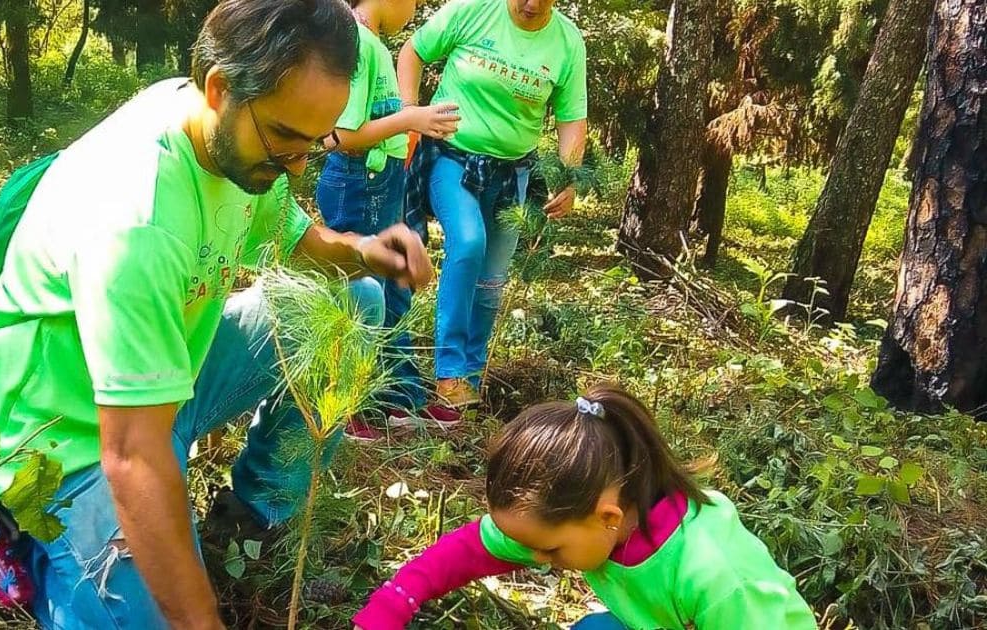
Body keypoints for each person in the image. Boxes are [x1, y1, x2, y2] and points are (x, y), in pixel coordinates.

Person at [0, 1, 432, 627]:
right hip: (68, 438)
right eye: (286, 139)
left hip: (164, 384)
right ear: (220, 89)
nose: (296, 166)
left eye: (312, 145)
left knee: (354, 299)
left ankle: (256, 520)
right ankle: (23, 534)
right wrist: (200, 620)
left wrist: (364, 253)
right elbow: (130, 453)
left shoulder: (228, 135)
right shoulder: (137, 218)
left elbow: (289, 240)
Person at [352, 385, 819, 630]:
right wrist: (396, 601)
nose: (537, 561)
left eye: (551, 551)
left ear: (609, 517)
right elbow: (474, 549)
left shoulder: (718, 576)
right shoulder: (586, 520)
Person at [398, 0, 589, 420]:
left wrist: (568, 177)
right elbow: (413, 51)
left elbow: (571, 120)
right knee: (468, 244)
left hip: (512, 174)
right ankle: (448, 372)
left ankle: (473, 372)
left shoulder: (567, 42)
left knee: (492, 280)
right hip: (451, 156)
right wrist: (409, 115)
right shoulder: (471, 10)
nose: (530, 4)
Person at [316, 0, 462, 440]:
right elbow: (339, 137)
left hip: (382, 182)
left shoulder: (371, 43)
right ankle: (347, 406)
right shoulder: (356, 42)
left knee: (393, 294)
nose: (414, 9)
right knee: (363, 294)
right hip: (361, 182)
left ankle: (398, 398)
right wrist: (410, 119)